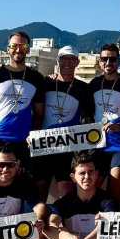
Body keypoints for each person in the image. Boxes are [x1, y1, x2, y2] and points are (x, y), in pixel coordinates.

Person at [0, 30, 46, 171]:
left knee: (21, 188)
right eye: (15, 46)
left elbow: (39, 113)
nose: (18, 50)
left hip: (24, 144)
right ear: (8, 49)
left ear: (28, 50)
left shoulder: (36, 78)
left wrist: (32, 135)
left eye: (23, 47)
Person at [35, 45, 95, 200]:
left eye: (71, 59)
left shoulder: (83, 88)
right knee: (40, 193)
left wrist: (84, 147)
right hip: (43, 146)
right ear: (57, 61)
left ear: (77, 62)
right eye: (63, 59)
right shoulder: (45, 82)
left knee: (66, 194)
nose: (67, 62)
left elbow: (88, 119)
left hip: (67, 148)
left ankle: (64, 223)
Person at [88, 43, 120, 206]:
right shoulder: (94, 84)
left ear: (118, 61)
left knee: (114, 192)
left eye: (112, 59)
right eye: (104, 59)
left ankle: (115, 228)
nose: (108, 63)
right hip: (97, 144)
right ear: (99, 61)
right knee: (90, 189)